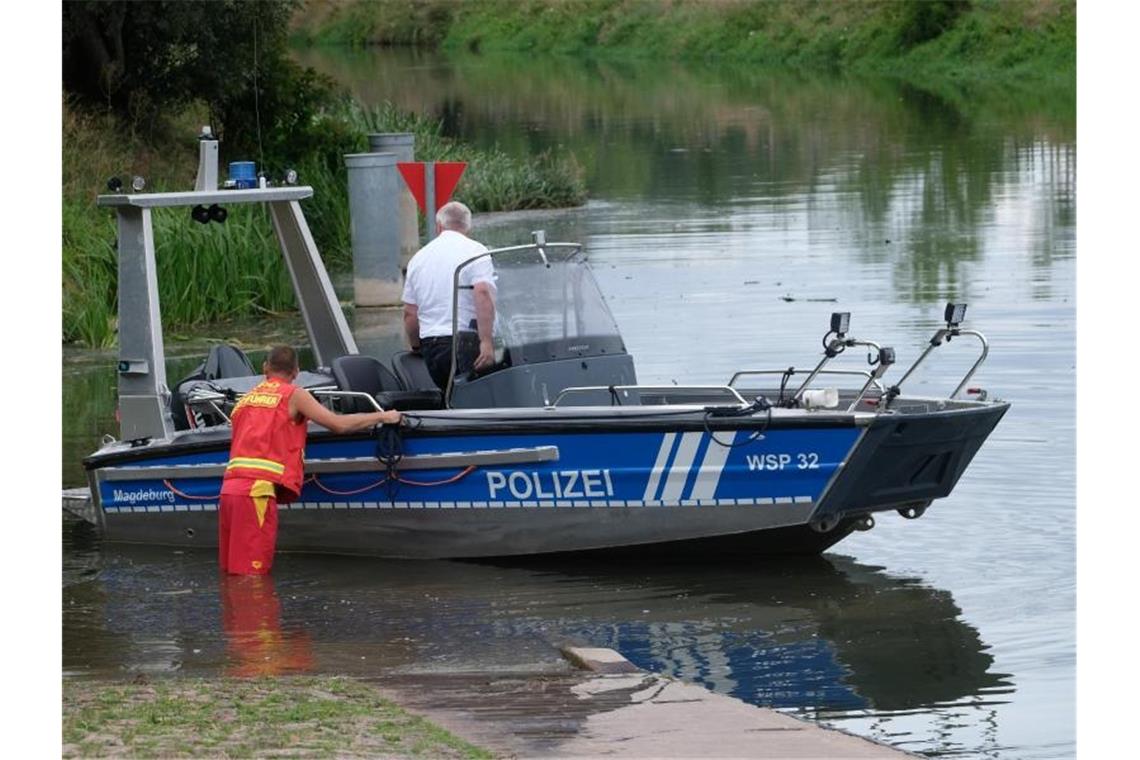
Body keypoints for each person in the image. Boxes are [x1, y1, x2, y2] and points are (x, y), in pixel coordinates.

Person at [219, 345, 401, 575]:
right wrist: (384, 415)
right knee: (252, 577)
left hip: (229, 491)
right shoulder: (293, 395)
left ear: (265, 367)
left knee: (233, 572)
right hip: (256, 493)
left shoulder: (245, 399)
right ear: (296, 371)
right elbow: (338, 424)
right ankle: (258, 612)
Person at [402, 200, 496, 389]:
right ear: (468, 226)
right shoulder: (475, 250)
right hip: (465, 343)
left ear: (439, 226)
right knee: (478, 400)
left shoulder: (418, 258)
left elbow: (410, 313)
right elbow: (483, 292)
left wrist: (416, 346)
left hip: (431, 346)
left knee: (450, 398)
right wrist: (486, 341)